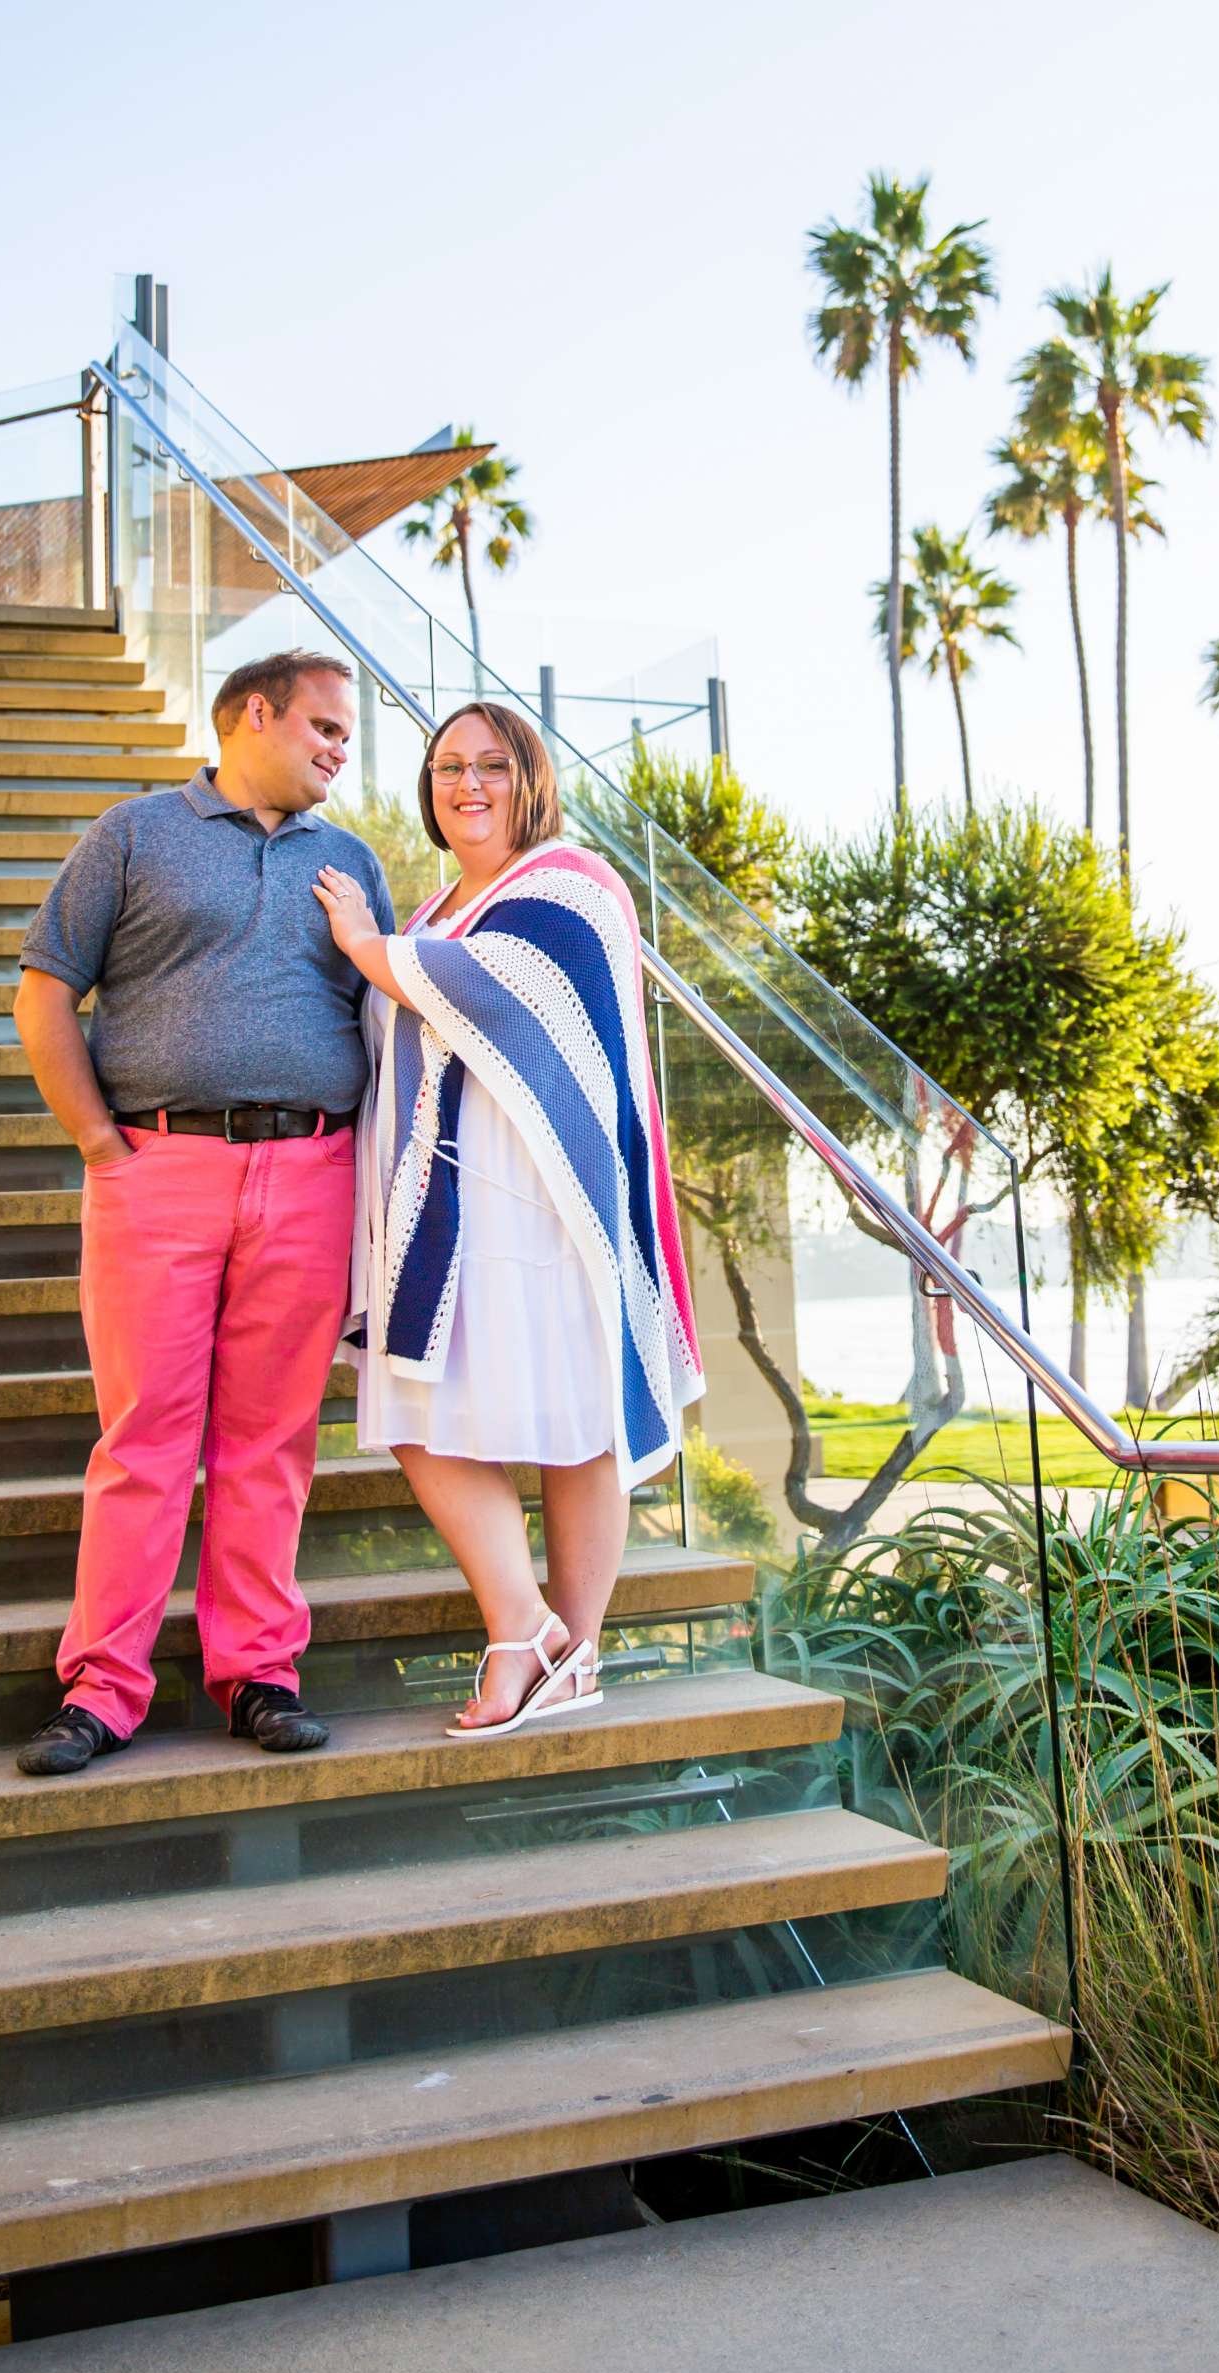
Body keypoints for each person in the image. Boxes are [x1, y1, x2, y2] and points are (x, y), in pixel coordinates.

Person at [13, 650, 394, 1774]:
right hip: (159, 1169)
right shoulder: (133, 835)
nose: (339, 749)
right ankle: (102, 1690)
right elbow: (43, 991)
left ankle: (258, 1674)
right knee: (145, 1440)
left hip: (314, 1174)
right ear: (256, 715)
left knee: (270, 1443)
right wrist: (98, 1144)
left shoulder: (354, 859)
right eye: (324, 727)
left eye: (347, 736)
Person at [313, 701, 704, 1737]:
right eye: (447, 766)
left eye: (492, 764)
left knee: (579, 1426)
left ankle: (568, 1653)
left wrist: (362, 939)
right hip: (443, 1201)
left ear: (530, 778)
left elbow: (483, 989)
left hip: (541, 1202)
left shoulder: (571, 886)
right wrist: (387, 946)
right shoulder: (444, 904)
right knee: (412, 1406)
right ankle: (523, 1624)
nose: (467, 783)